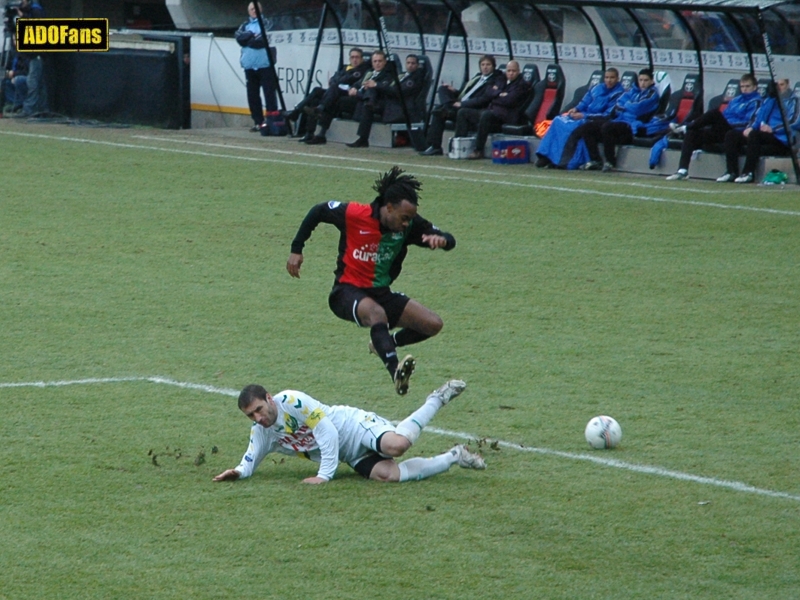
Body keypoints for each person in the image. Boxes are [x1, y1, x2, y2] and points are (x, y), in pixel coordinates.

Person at [286, 167, 456, 396]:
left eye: (411, 219)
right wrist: (297, 249)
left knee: (432, 324)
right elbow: (318, 211)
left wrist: (443, 240)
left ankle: (384, 343)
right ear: (388, 207)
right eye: (404, 218)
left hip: (381, 293)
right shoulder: (354, 214)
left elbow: (448, 238)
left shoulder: (410, 226)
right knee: (377, 314)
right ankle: (396, 371)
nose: (407, 223)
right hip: (345, 292)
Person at [212, 379, 486, 484]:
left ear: (269, 398)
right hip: (349, 455)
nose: (258, 418)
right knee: (388, 475)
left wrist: (324, 476)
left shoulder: (292, 401)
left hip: (352, 426)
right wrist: (237, 472)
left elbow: (327, 432)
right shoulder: (262, 432)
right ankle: (455, 456)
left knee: (396, 446)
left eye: (259, 409)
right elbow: (250, 460)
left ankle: (438, 398)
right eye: (251, 415)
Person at [665, 73, 762, 181]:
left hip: (737, 131)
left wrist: (727, 122)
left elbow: (748, 121)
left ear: (754, 87)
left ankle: (686, 126)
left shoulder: (756, 101)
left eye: (747, 86)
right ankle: (682, 170)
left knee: (714, 113)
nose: (744, 89)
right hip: (724, 129)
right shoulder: (735, 100)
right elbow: (726, 114)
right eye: (742, 87)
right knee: (692, 133)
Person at [534, 68, 624, 169]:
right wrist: (575, 109)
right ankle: (547, 156)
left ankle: (564, 160)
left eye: (612, 77)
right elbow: (584, 102)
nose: (609, 80)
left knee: (572, 127)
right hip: (583, 114)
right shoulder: (596, 88)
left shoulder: (619, 94)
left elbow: (607, 114)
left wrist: (584, 115)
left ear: (617, 78)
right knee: (558, 121)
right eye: (607, 77)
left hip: (594, 119)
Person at [576, 68, 660, 172]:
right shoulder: (632, 91)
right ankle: (595, 160)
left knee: (608, 127)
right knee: (587, 127)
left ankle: (610, 162)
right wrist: (626, 106)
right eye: (640, 80)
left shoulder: (652, 94)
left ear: (652, 81)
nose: (642, 83)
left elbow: (637, 108)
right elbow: (619, 103)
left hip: (633, 126)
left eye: (646, 80)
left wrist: (626, 105)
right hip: (619, 120)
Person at [718, 78, 799, 184]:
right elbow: (759, 116)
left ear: (788, 84)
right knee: (732, 135)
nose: (779, 88)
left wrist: (773, 129)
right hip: (765, 134)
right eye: (776, 85)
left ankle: (748, 172)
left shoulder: (795, 100)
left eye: (782, 84)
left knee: (755, 135)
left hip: (782, 137)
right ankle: (731, 172)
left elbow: (794, 121)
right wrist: (751, 127)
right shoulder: (770, 99)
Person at [419, 54, 504, 156]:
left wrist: (462, 104)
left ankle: (447, 108)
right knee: (442, 90)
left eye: (488, 65)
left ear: (493, 66)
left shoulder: (496, 79)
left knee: (439, 111)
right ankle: (435, 146)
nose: (485, 67)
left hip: (471, 108)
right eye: (483, 64)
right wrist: (454, 91)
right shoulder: (477, 77)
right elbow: (466, 94)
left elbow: (484, 99)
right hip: (458, 104)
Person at [453, 60, 532, 160]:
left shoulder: (522, 85)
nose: (511, 73)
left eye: (514, 71)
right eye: (509, 71)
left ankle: (478, 150)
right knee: (463, 112)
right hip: (492, 111)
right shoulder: (501, 80)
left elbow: (509, 100)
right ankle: (458, 146)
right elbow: (488, 92)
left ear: (519, 71)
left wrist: (495, 96)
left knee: (486, 115)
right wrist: (500, 94)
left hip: (505, 116)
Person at [345, 54, 427, 149]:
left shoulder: (414, 78)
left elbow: (397, 92)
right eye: (408, 63)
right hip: (387, 102)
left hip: (399, 107)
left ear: (417, 65)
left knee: (370, 96)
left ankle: (363, 137)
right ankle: (362, 138)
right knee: (367, 104)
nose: (410, 65)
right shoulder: (402, 75)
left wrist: (376, 85)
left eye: (413, 63)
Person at [295, 47, 366, 143]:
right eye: (352, 57)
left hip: (350, 96)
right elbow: (333, 79)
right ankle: (309, 130)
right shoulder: (345, 68)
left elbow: (345, 80)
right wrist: (336, 81)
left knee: (333, 97)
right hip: (335, 93)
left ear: (362, 59)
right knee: (317, 92)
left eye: (357, 57)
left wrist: (337, 81)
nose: (355, 59)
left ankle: (321, 132)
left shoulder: (362, 70)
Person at [235, 2, 278, 133]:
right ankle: (258, 122)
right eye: (252, 9)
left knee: (269, 94)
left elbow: (262, 40)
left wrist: (248, 39)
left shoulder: (268, 23)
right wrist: (250, 37)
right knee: (252, 96)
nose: (254, 11)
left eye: (256, 9)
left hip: (265, 65)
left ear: (261, 9)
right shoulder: (244, 25)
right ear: (249, 11)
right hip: (249, 66)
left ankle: (272, 121)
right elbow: (238, 37)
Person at [1, 34, 29, 115]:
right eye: (14, 40)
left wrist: (14, 74)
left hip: (26, 79)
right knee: (5, 83)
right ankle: (16, 104)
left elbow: (28, 71)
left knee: (18, 80)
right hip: (15, 77)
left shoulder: (28, 54)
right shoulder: (14, 53)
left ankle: (23, 104)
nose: (15, 42)